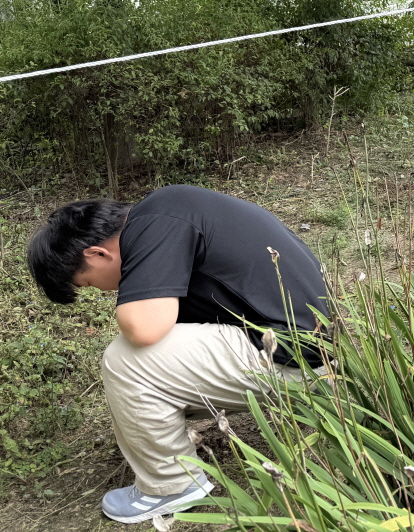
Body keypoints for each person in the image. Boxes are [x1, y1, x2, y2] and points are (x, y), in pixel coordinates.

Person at [25, 185, 328, 525]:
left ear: (97, 254)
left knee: (126, 360)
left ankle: (171, 485)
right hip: (312, 351)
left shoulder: (154, 221)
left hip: (293, 357)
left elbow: (144, 327)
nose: (104, 290)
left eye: (90, 283)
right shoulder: (170, 213)